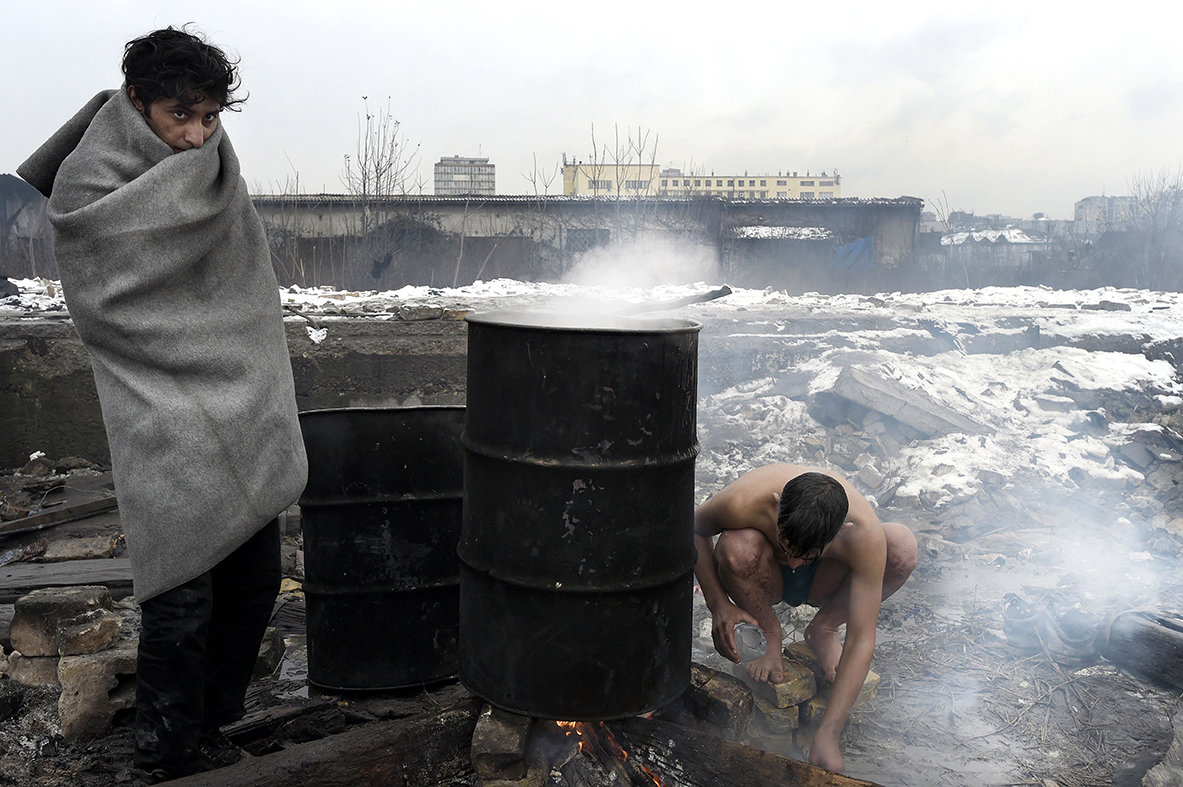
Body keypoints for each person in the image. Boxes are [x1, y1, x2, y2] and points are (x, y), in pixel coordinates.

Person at [18, 27, 307, 781]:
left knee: (252, 581)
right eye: (182, 115)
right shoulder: (90, 181)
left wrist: (237, 360)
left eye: (210, 117)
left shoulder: (213, 167)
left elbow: (244, 288)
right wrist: (189, 350)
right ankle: (163, 756)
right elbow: (106, 300)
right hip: (157, 405)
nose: (196, 135)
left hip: (242, 399)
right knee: (181, 596)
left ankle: (212, 726)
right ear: (138, 100)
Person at [693, 464, 917, 774]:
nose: (795, 562)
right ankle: (772, 635)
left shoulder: (861, 533)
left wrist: (829, 733)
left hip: (823, 579)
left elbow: (862, 638)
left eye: (805, 555)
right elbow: (692, 527)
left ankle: (823, 628)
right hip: (764, 573)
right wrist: (718, 603)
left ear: (842, 530)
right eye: (787, 546)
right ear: (776, 503)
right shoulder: (746, 500)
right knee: (737, 547)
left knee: (902, 547)